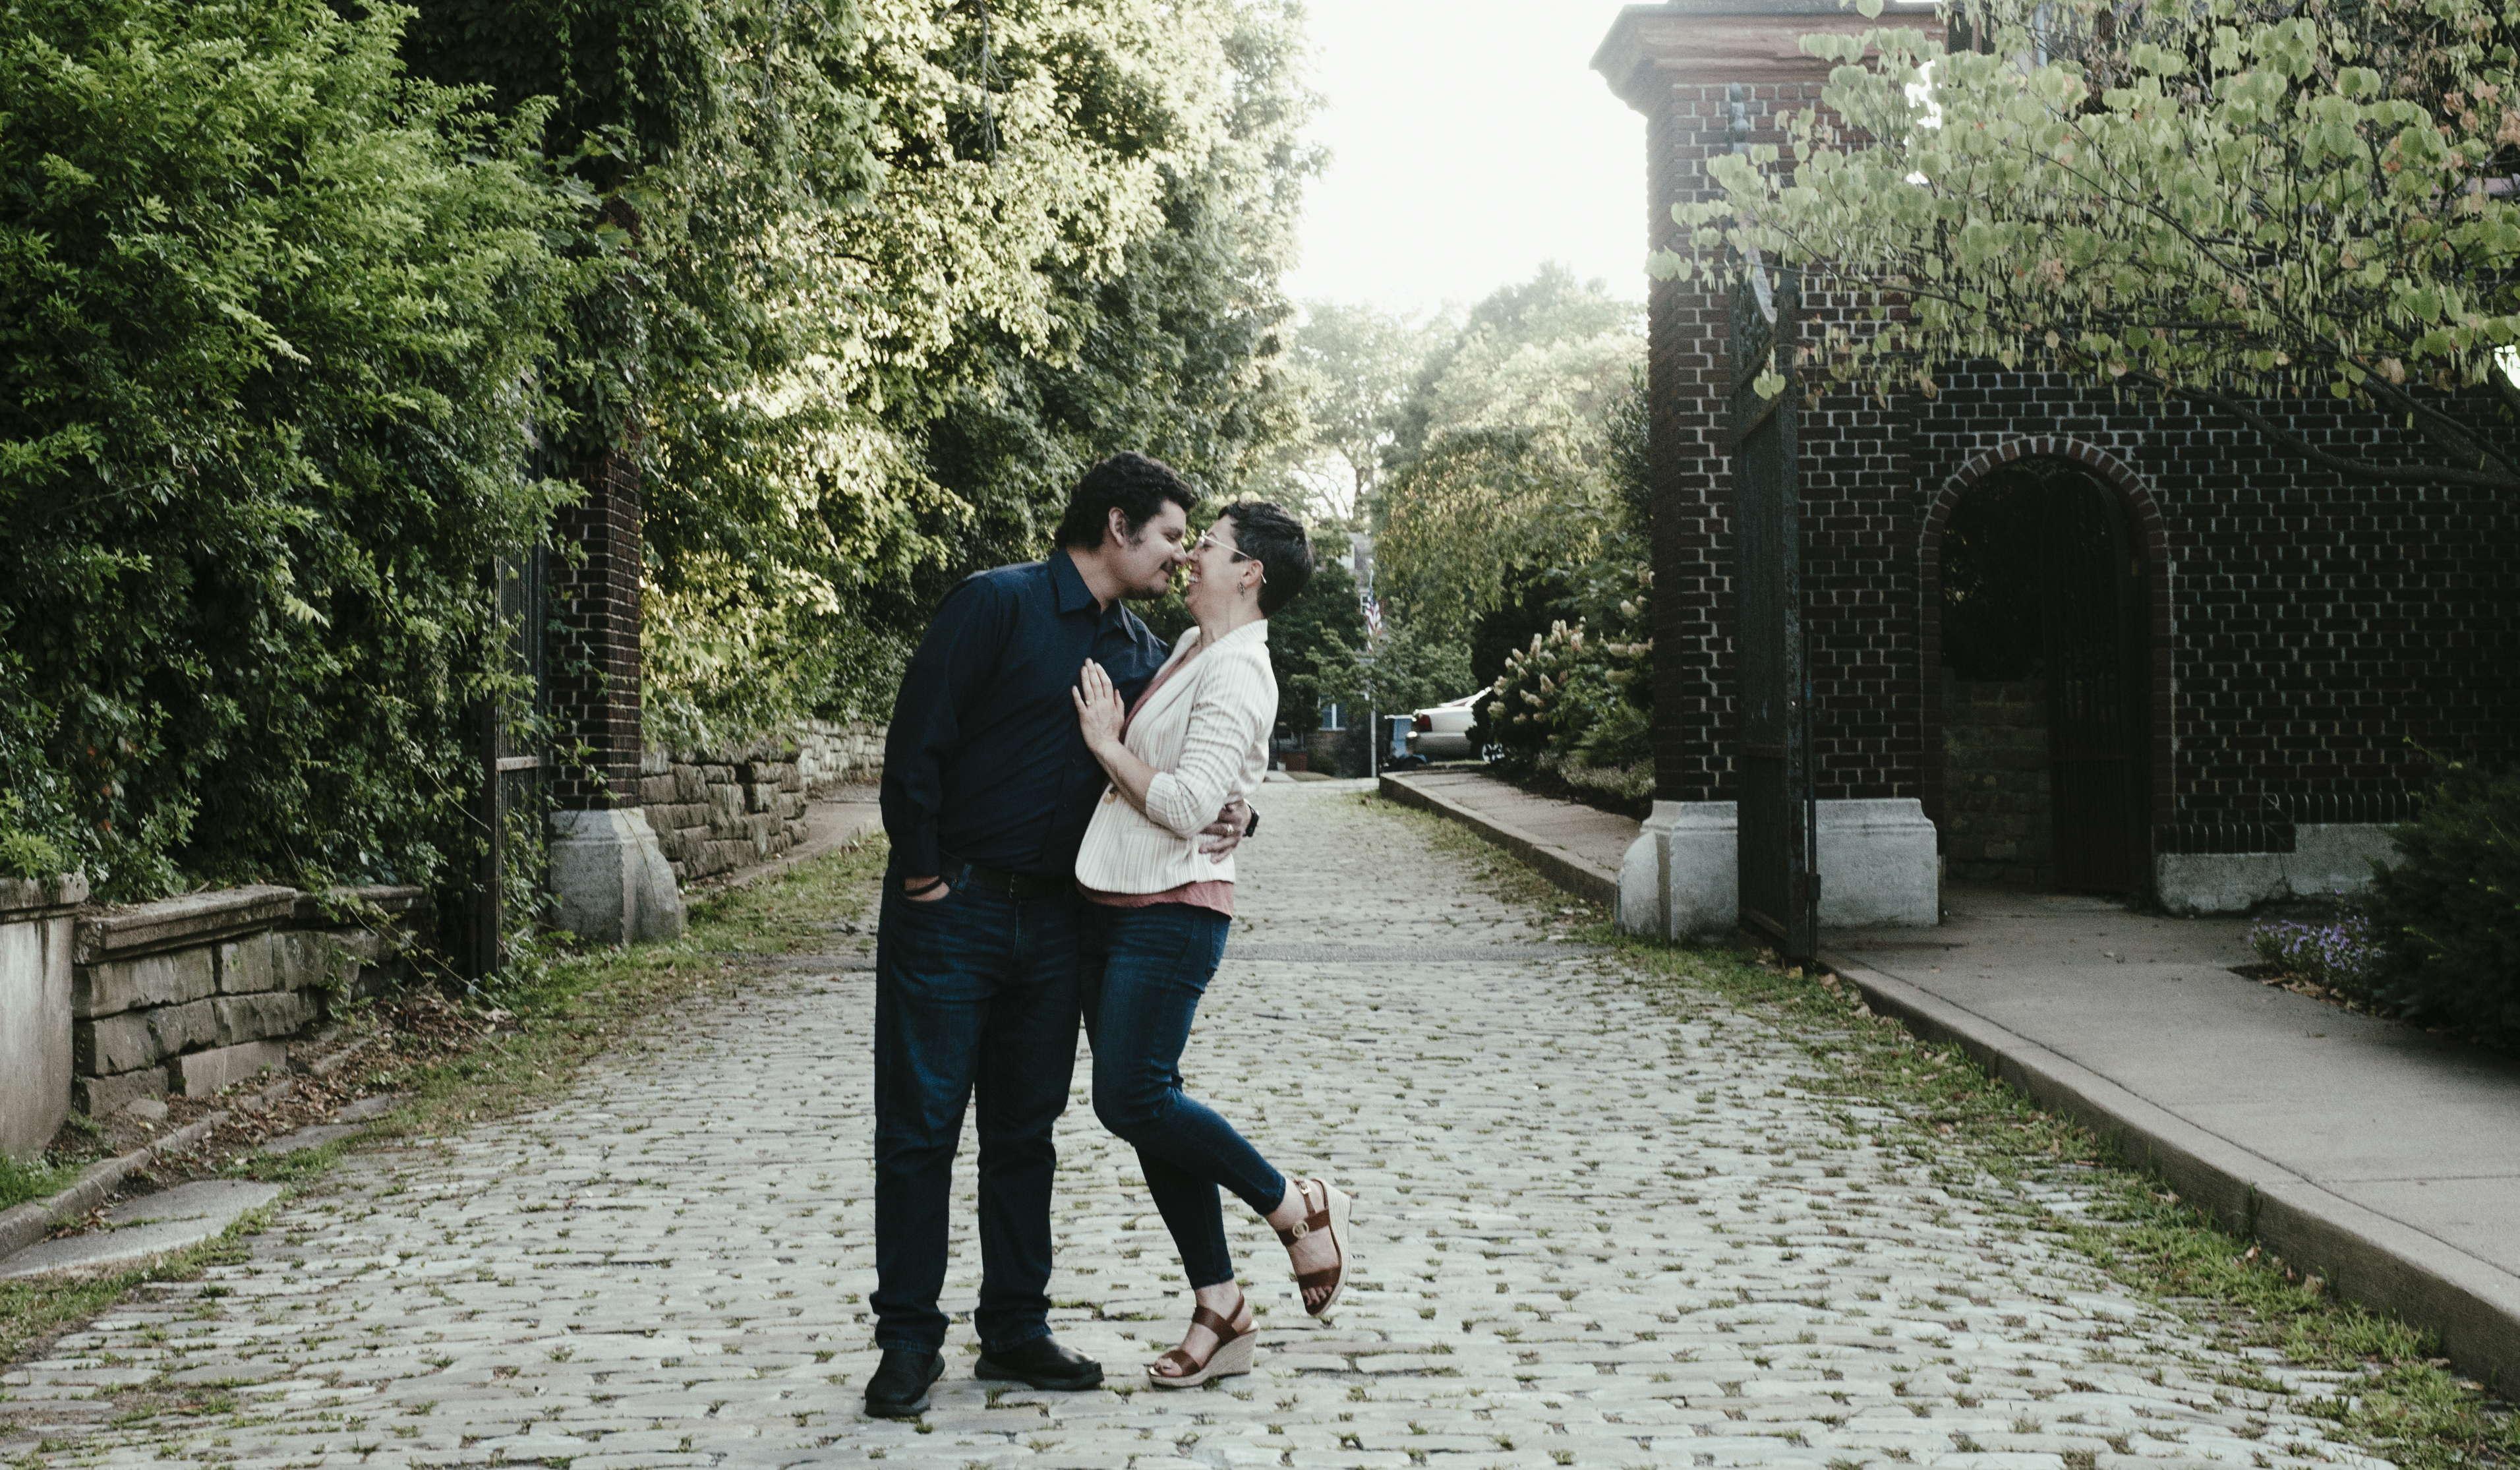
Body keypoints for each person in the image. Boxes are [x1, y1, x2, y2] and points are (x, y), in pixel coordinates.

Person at [867, 453, 1257, 1419]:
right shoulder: (993, 604)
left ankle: (1014, 1328)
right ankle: (909, 1340)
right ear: (1118, 525)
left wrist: (1242, 813)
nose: (1181, 556)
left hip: (1056, 921)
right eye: (1171, 536)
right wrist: (923, 874)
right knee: (920, 1129)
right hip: (950, 908)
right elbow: (916, 745)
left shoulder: (1139, 651)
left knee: (1023, 1131)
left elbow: (1191, 759)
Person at [1070, 500, 1354, 1389]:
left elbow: (1190, 805)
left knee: (1131, 1097)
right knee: (1152, 1108)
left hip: (1174, 910)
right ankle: (1220, 1308)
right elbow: (1215, 780)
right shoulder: (1195, 646)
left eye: (1210, 544)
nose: (1192, 554)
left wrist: (1106, 744)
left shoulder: (1239, 668)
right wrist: (1242, 800)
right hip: (1119, 896)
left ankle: (1292, 1202)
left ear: (1250, 571)